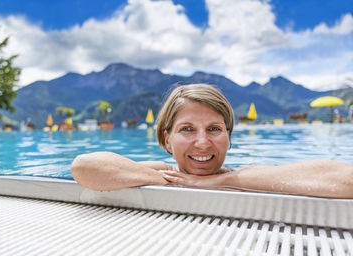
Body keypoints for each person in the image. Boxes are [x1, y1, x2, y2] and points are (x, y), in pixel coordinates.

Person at [71, 84, 353, 198]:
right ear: (167, 141)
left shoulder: (244, 175)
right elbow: (83, 167)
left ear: (228, 138)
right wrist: (167, 180)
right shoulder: (160, 171)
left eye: (215, 129)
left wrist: (218, 181)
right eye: (188, 130)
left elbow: (347, 179)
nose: (203, 143)